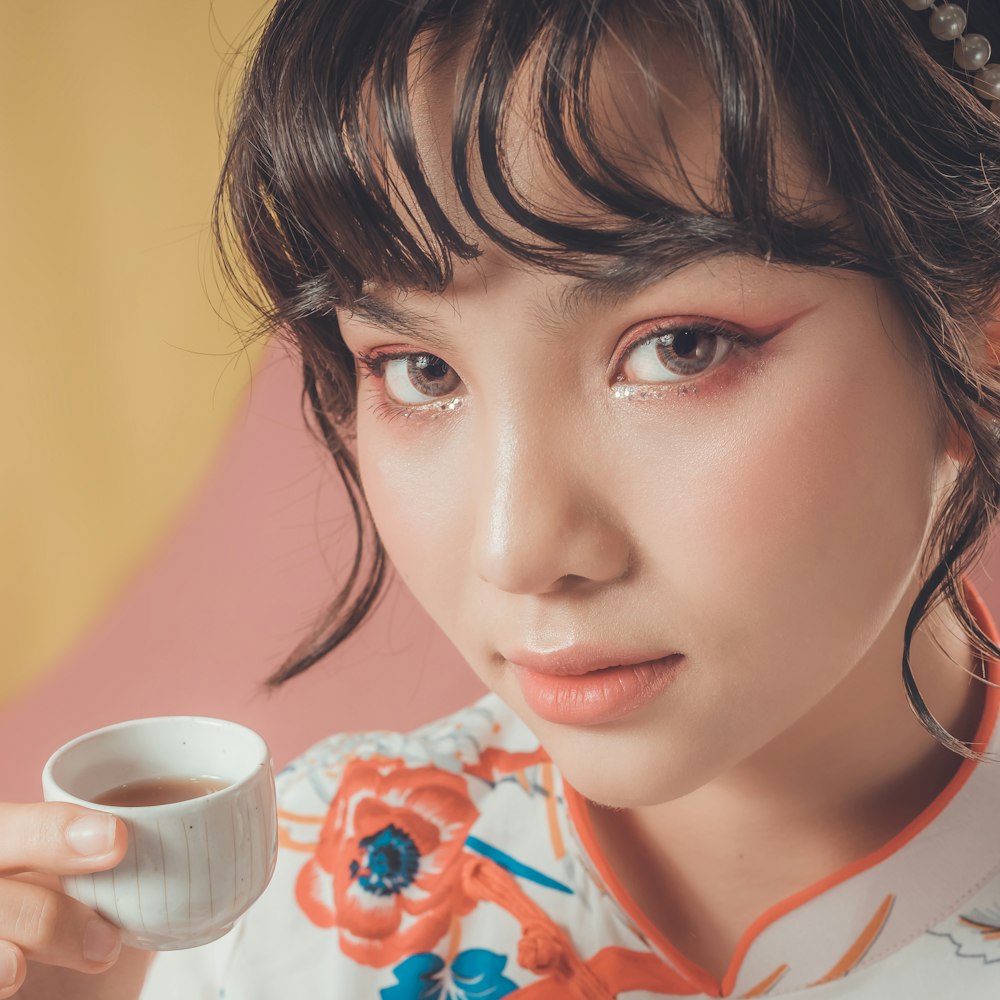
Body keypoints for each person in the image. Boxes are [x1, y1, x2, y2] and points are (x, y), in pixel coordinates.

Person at [5, 0, 1000, 996]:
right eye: (419, 371)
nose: (516, 547)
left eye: (677, 347)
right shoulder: (270, 926)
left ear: (979, 338)